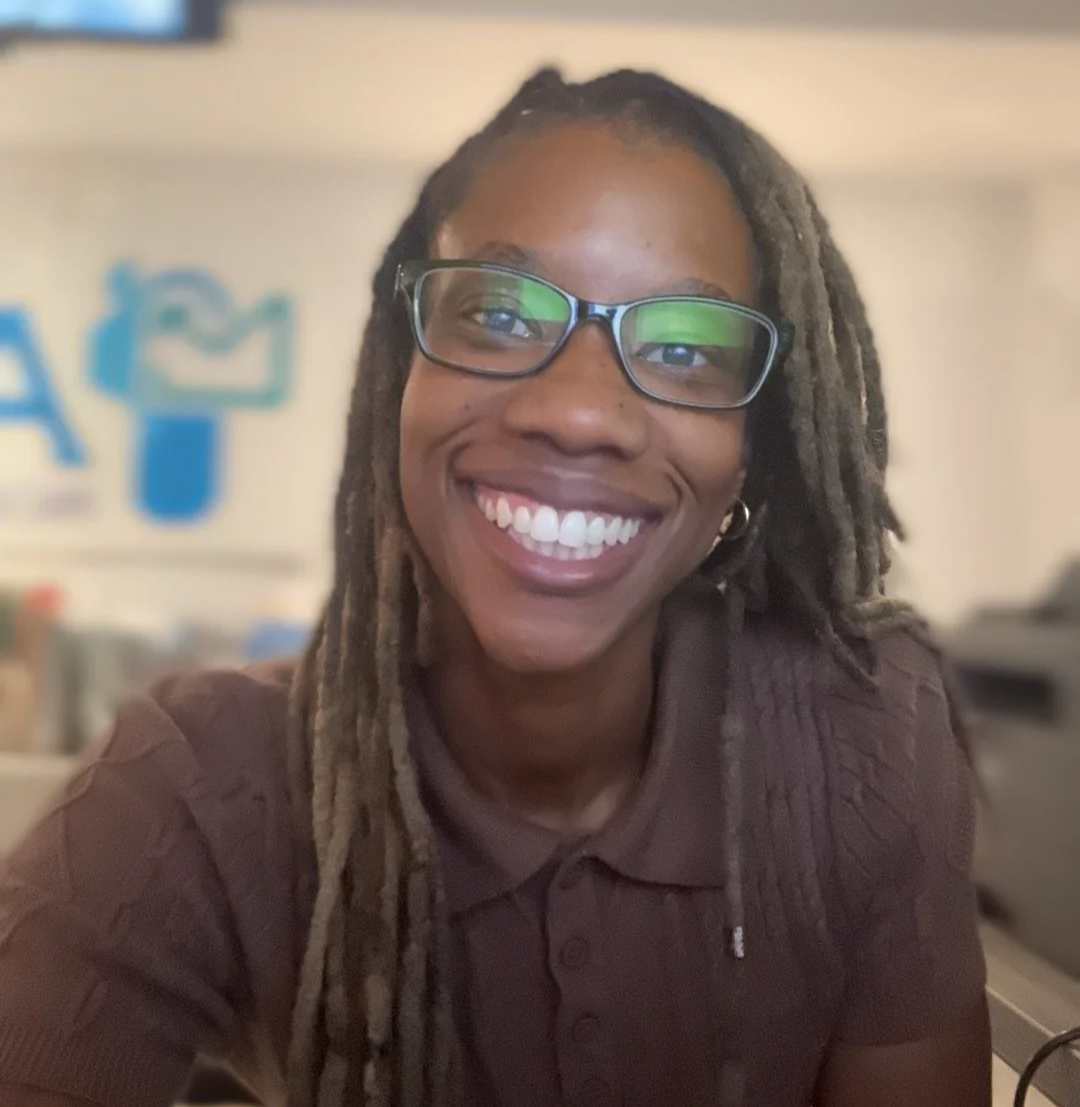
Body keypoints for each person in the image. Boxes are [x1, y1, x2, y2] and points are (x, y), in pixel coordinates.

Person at [0, 68, 991, 1107]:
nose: (578, 412)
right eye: (502, 315)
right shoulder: (195, 786)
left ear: (752, 452)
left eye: (685, 349)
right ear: (402, 373)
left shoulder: (866, 731)